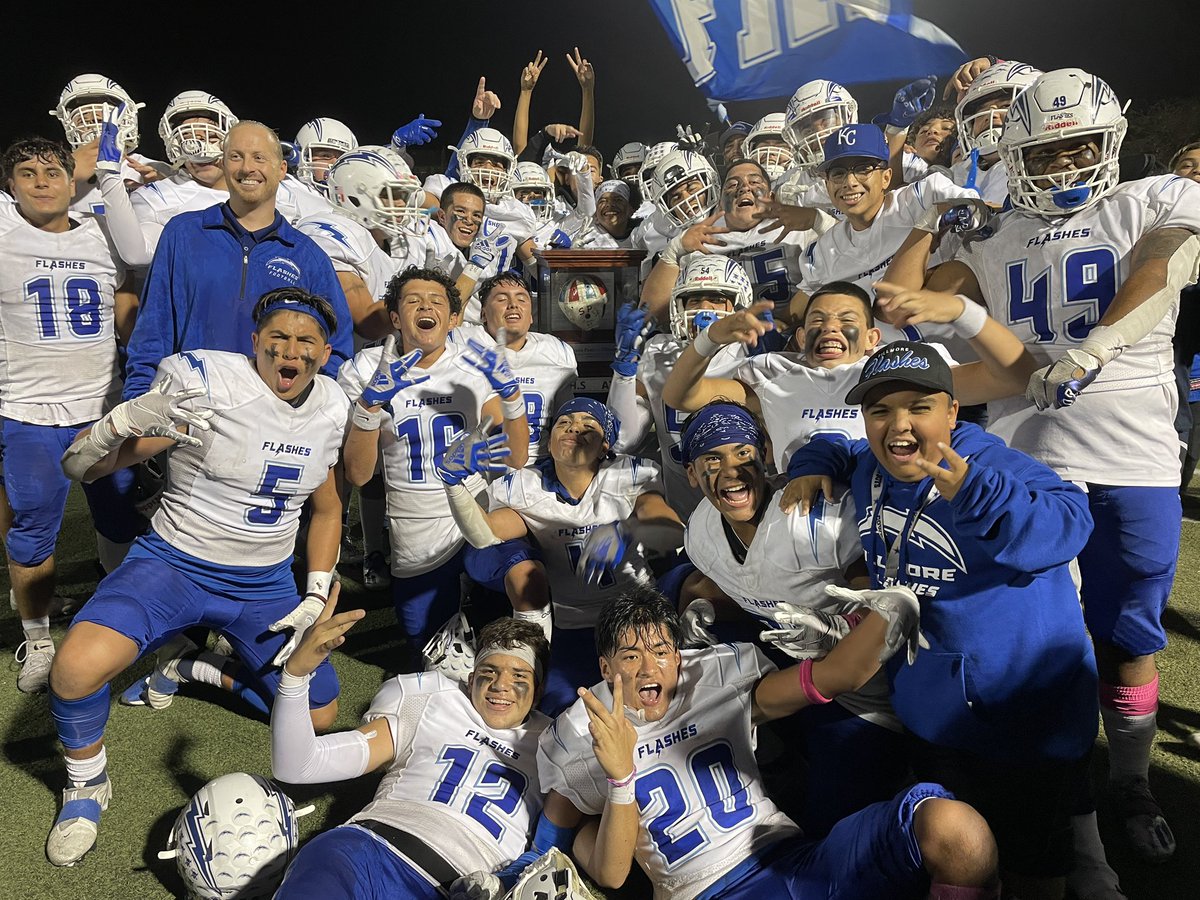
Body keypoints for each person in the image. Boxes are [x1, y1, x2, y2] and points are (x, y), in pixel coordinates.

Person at [887, 69, 1200, 884]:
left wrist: (1091, 350)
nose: (1064, 166)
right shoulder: (989, 231)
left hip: (1134, 456)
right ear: (1013, 152)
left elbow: (1163, 267)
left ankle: (1130, 780)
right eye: (1046, 150)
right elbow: (906, 301)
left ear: (1112, 143)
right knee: (1049, 647)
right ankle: (1078, 828)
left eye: (1080, 147)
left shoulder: (1150, 199)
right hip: (1030, 461)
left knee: (1129, 637)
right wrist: (928, 216)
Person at [785, 340, 1099, 898]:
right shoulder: (871, 467)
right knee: (960, 860)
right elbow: (833, 444)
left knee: (1032, 866)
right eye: (880, 410)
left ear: (953, 412)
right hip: (932, 707)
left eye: (919, 407)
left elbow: (1069, 526)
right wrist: (811, 464)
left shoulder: (991, 463)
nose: (898, 425)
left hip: (1022, 715)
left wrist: (976, 492)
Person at [46, 287, 348, 867]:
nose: (291, 350)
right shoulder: (212, 386)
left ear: (325, 351)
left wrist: (314, 591)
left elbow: (329, 507)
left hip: (263, 585)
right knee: (76, 667)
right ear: (255, 342)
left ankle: (194, 668)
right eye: (278, 337)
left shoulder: (332, 406)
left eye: (305, 339)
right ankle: (87, 783)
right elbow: (78, 466)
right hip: (174, 565)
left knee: (319, 715)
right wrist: (117, 425)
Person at [538, 589, 1001, 899]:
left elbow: (834, 676)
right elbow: (607, 872)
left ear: (678, 658)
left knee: (956, 830)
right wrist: (620, 778)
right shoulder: (585, 731)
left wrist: (888, 610)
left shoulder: (716, 681)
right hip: (703, 891)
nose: (648, 669)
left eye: (660, 652)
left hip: (793, 860)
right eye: (631, 655)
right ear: (606, 668)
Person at [677, 401, 906, 835]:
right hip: (788, 657)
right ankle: (777, 752)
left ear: (764, 452)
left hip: (863, 691)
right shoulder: (702, 526)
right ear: (691, 473)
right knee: (688, 600)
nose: (731, 471)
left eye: (742, 453)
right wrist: (707, 608)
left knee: (833, 824)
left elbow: (885, 602)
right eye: (712, 459)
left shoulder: (818, 512)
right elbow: (750, 590)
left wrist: (841, 631)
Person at [271, 600, 553, 900]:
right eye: (489, 671)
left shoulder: (556, 743)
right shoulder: (430, 700)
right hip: (364, 850)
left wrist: (504, 881)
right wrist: (296, 675)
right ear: (471, 679)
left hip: (455, 886)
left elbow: (557, 844)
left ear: (538, 692)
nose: (501, 685)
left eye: (519, 676)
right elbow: (299, 765)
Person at [0, 137, 143, 693]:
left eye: (52, 171)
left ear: (71, 180)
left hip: (103, 412)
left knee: (120, 518)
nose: (41, 181)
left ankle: (117, 618)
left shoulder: (106, 236)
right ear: (9, 185)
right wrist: (83, 156)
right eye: (26, 172)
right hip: (28, 412)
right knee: (34, 530)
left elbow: (131, 291)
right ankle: (36, 638)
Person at [439, 397, 682, 714]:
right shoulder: (526, 486)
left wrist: (627, 530)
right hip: (571, 623)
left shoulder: (629, 474)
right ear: (550, 441)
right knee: (556, 713)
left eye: (587, 425)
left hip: (637, 617)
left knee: (651, 709)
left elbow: (671, 529)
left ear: (605, 444)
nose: (574, 429)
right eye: (565, 423)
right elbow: (484, 533)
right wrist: (453, 483)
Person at [339, 266, 529, 655]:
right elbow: (358, 474)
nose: (425, 306)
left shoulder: (472, 367)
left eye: (436, 301)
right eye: (413, 300)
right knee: (435, 657)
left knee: (511, 632)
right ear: (395, 318)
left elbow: (517, 455)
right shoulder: (364, 370)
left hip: (477, 518)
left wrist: (511, 396)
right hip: (416, 533)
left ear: (453, 318)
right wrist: (369, 405)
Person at [123, 121, 353, 399]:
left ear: (281, 170)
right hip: (190, 411)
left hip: (269, 422)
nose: (247, 168)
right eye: (236, 157)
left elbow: (336, 347)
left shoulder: (307, 255)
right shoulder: (182, 233)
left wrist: (302, 411)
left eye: (259, 157)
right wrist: (136, 400)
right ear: (223, 164)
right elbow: (152, 331)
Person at [607, 255, 750, 517]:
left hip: (745, 502)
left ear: (740, 306)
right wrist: (624, 370)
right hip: (682, 513)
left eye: (717, 299)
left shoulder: (756, 353)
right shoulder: (658, 350)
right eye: (694, 300)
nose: (704, 309)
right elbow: (622, 440)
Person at [131, 92, 328, 257]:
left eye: (210, 137)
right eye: (187, 140)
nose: (198, 149)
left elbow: (338, 224)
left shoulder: (280, 185)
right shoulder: (160, 196)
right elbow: (135, 256)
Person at [448, 271, 577, 464]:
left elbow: (566, 416)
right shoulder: (462, 342)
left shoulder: (556, 351)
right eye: (501, 299)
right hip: (482, 468)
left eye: (522, 299)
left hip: (540, 469)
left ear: (531, 316)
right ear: (483, 314)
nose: (513, 304)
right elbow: (446, 317)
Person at [292, 116, 357, 193]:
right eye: (326, 156)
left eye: (343, 158)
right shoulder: (286, 194)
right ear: (303, 157)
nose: (336, 164)